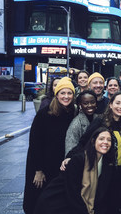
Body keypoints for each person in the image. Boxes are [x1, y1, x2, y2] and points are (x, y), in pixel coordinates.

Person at [66, 91, 121, 214]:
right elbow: (84, 141)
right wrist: (69, 157)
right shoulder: (101, 121)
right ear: (111, 104)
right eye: (117, 103)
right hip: (106, 170)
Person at [23, 77, 76, 214]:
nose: (66, 96)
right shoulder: (44, 114)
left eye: (69, 93)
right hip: (42, 165)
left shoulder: (72, 112)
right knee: (38, 200)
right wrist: (38, 170)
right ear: (57, 94)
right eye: (62, 93)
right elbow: (35, 143)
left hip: (58, 164)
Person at [34, 128, 114, 214]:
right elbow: (72, 193)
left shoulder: (107, 163)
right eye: (101, 139)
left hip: (77, 204)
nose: (105, 142)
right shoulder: (78, 160)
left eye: (109, 140)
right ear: (93, 141)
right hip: (56, 204)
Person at [65, 90, 98, 156]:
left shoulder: (99, 118)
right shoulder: (76, 124)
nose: (90, 105)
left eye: (92, 102)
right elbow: (70, 149)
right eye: (85, 103)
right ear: (80, 105)